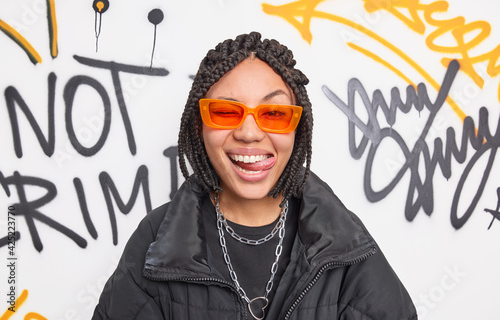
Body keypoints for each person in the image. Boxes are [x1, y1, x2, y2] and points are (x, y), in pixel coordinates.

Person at [92, 31, 417, 319]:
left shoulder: (344, 241)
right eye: (224, 112)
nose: (249, 133)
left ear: (297, 129)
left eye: (274, 114)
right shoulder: (156, 240)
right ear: (198, 125)